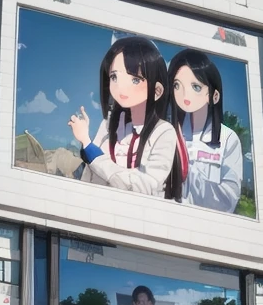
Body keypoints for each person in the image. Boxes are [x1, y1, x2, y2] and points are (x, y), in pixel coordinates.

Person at [68, 36, 182, 199]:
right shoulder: (108, 125)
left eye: (135, 79)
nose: (121, 87)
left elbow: (141, 187)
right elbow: (90, 175)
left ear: (157, 91)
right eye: (114, 77)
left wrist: (88, 146)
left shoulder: (163, 132)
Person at [167, 48, 244, 214]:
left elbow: (227, 201)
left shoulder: (228, 139)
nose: (185, 94)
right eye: (177, 85)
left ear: (214, 96)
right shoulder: (167, 132)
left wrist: (186, 174)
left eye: (195, 87)